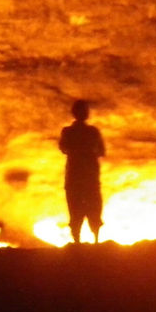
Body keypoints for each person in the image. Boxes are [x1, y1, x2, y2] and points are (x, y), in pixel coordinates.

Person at [58, 100, 106, 244]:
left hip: (78, 176)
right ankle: (92, 240)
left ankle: (79, 241)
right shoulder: (92, 132)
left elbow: (63, 148)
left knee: (78, 207)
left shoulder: (69, 132)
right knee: (90, 206)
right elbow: (101, 151)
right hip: (86, 176)